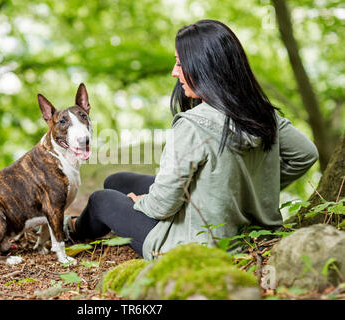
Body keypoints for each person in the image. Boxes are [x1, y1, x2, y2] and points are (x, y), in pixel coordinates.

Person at [63, 19, 319, 260]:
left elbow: (162, 206)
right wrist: (252, 192)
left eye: (180, 63)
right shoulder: (262, 112)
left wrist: (141, 202)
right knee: (116, 181)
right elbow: (306, 154)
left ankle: (71, 228)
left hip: (194, 243)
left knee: (101, 199)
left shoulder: (193, 124)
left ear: (205, 67)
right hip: (247, 231)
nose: (175, 72)